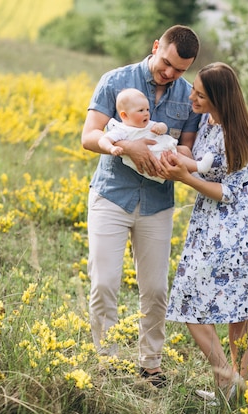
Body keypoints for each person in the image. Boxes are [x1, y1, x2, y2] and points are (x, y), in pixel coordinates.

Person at [81, 25, 201, 387]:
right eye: (166, 63)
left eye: (180, 69)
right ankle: (108, 360)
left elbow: (188, 149)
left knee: (155, 289)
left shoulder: (188, 97)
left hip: (158, 203)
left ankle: (151, 365)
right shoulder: (116, 80)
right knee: (104, 283)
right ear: (155, 47)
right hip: (112, 195)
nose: (170, 74)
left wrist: (179, 162)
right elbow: (89, 135)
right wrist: (124, 147)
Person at [159, 62, 248, 403]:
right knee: (193, 302)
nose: (192, 97)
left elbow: (227, 192)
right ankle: (228, 380)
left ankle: (233, 384)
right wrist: (179, 154)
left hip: (236, 230)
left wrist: (183, 177)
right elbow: (199, 157)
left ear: (219, 99)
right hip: (208, 225)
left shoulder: (235, 133)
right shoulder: (204, 119)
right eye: (194, 90)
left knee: (230, 310)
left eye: (200, 94)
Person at [98, 88, 214, 183]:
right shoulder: (122, 130)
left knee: (184, 150)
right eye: (141, 110)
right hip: (155, 160)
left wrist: (161, 127)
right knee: (175, 157)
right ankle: (199, 167)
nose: (146, 113)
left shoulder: (147, 123)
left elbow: (162, 127)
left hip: (163, 150)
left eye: (147, 109)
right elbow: (103, 140)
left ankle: (196, 175)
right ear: (124, 115)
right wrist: (112, 148)